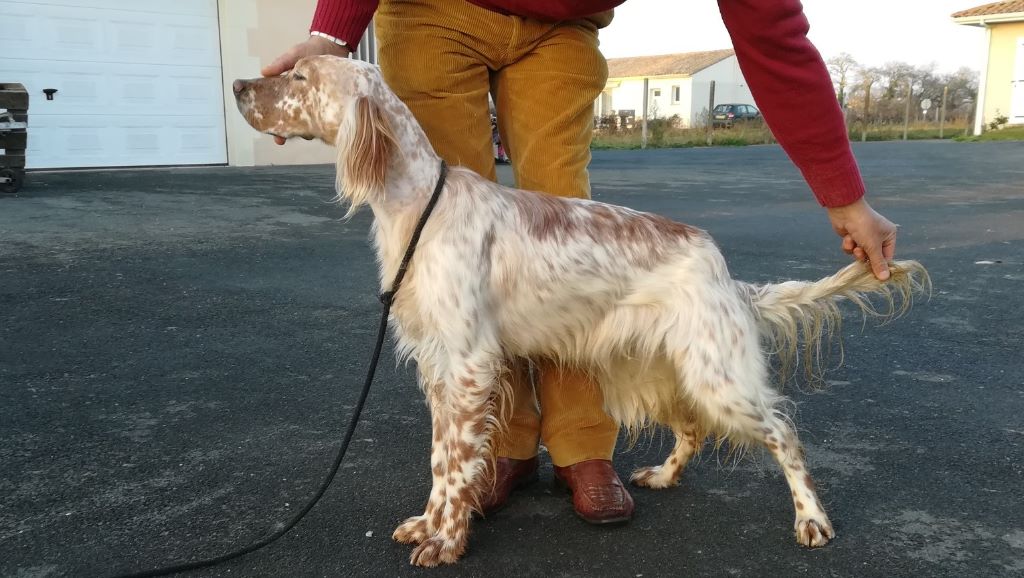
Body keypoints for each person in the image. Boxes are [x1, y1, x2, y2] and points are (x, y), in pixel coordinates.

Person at [262, 0, 899, 525]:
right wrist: (331, 35)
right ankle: (493, 459)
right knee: (438, 237)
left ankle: (582, 449)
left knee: (561, 226)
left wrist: (844, 196)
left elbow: (770, 30)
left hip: (564, 26)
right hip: (433, 12)